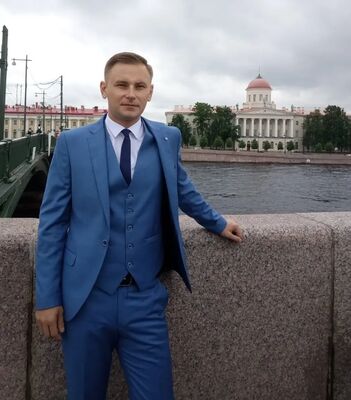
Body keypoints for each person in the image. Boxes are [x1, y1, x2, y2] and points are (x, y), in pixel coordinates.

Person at [35, 52, 244, 400]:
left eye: (139, 86)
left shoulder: (167, 137)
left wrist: (217, 222)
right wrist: (47, 298)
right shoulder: (73, 143)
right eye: (122, 85)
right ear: (104, 89)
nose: (131, 93)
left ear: (150, 92)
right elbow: (53, 223)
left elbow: (182, 189)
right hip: (85, 299)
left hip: (145, 297)